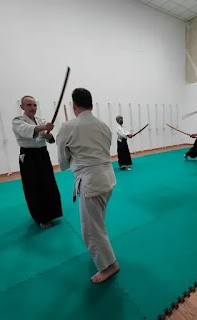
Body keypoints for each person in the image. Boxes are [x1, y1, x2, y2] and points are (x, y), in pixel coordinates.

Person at [56, 88, 118, 283]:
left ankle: (109, 266)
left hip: (91, 183)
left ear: (74, 105)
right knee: (97, 222)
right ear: (91, 104)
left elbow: (63, 162)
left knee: (91, 228)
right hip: (108, 179)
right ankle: (103, 256)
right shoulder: (104, 126)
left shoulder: (68, 127)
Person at [12, 96, 63, 228]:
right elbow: (26, 130)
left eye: (34, 105)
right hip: (28, 156)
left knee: (49, 182)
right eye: (29, 105)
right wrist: (43, 127)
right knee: (34, 186)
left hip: (42, 154)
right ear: (22, 107)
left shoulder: (40, 120)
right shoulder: (18, 121)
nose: (33, 108)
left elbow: (50, 140)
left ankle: (52, 213)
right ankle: (41, 217)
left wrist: (49, 135)